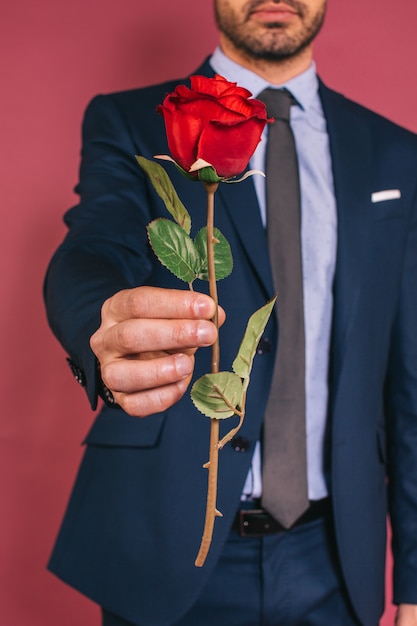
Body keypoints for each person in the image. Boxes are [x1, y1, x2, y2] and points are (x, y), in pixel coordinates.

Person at [44, 1, 417, 625]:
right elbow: (91, 246)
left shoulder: (396, 153)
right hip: (168, 547)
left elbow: (410, 380)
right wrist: (97, 325)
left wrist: (412, 577)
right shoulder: (131, 119)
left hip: (336, 557)